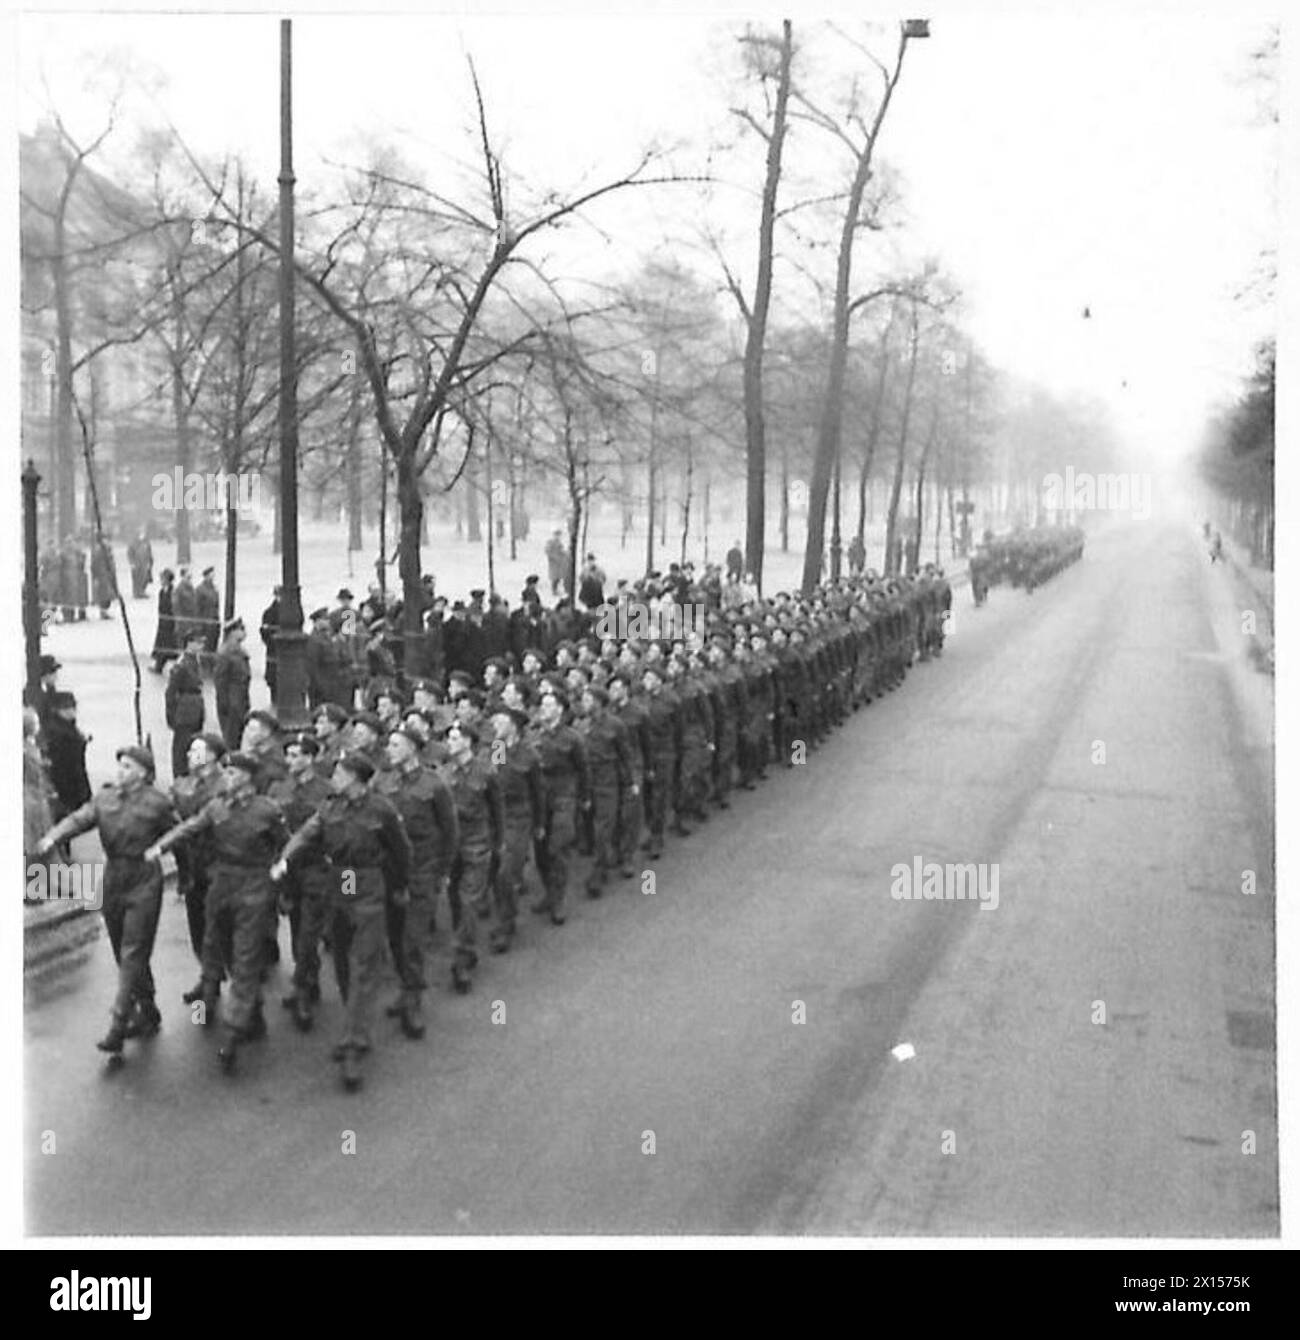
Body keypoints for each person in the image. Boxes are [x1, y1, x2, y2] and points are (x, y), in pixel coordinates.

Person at [272, 751, 412, 1092]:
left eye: (340, 772)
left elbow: (401, 851)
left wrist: (400, 887)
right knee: (343, 966)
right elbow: (306, 835)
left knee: (364, 965)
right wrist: (285, 861)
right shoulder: (330, 807)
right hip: (341, 882)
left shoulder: (382, 810)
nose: (334, 775)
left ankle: (352, 1042)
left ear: (355, 778)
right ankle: (357, 1020)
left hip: (368, 885)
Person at [146, 753, 290, 1074]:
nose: (228, 776)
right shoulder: (216, 806)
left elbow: (285, 847)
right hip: (221, 887)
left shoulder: (267, 810)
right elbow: (190, 828)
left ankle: (233, 1034)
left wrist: (278, 881)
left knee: (244, 957)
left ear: (249, 778)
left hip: (253, 886)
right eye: (226, 771)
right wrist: (161, 846)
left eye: (234, 772)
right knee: (216, 951)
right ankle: (250, 1015)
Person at [35, 745, 177, 1056]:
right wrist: (53, 837)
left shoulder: (158, 803)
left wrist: (189, 875)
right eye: (120, 766)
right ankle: (148, 1009)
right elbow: (79, 818)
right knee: (122, 950)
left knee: (133, 950)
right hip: (112, 879)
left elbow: (178, 837)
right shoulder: (105, 798)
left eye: (128, 767)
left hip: (143, 879)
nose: (121, 772)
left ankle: (118, 1023)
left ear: (143, 773)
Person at [376, 727, 459, 1033]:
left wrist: (443, 872)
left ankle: (413, 999)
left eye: (396, 744)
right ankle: (405, 986)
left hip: (422, 872)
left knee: (412, 939)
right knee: (395, 937)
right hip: (389, 872)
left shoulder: (434, 785)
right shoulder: (383, 781)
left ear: (412, 748)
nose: (390, 749)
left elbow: (450, 832)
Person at [266, 734, 333, 1031]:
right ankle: (311, 979)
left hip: (316, 868)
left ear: (310, 758)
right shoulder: (278, 788)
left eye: (297, 755)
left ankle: (301, 989)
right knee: (295, 929)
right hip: (287, 869)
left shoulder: (326, 790)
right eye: (289, 755)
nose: (292, 761)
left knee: (309, 933)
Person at [42, 691, 92, 822]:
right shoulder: (60, 732)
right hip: (67, 781)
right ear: (58, 710)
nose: (72, 711)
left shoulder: (66, 727)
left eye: (73, 707)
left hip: (72, 778)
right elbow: (64, 761)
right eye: (67, 708)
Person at [165, 630, 207, 779]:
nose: (201, 646)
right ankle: (180, 777)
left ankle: (198, 773)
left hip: (195, 708)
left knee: (198, 743)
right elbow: (170, 692)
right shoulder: (182, 664)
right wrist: (171, 715)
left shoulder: (195, 660)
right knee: (182, 748)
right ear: (189, 643)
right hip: (185, 711)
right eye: (198, 642)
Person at [213, 620, 252, 750]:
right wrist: (225, 703)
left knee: (237, 738)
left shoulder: (239, 651)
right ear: (232, 633)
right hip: (231, 703)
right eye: (241, 629)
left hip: (240, 701)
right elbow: (220, 680)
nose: (244, 632)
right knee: (230, 740)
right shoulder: (226, 653)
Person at [152, 569, 178, 673]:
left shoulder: (173, 592)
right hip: (163, 624)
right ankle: (159, 666)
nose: (161, 581)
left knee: (168, 646)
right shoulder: (162, 592)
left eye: (162, 579)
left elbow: (174, 607)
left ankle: (160, 666)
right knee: (162, 646)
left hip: (170, 624)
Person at [260, 586, 283, 701]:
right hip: (274, 652)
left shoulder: (291, 610)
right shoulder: (269, 613)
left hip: (282, 655)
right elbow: (265, 633)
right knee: (274, 683)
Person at [91, 537, 118, 619]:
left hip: (107, 575)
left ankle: (104, 612)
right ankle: (103, 612)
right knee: (104, 594)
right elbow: (94, 564)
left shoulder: (106, 549)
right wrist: (96, 576)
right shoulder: (99, 550)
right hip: (102, 575)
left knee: (107, 595)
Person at [127, 532, 153, 599]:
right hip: (136, 565)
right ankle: (136, 593)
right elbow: (130, 554)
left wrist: (150, 562)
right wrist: (132, 563)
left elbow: (149, 553)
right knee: (136, 580)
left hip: (144, 564)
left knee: (145, 579)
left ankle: (142, 591)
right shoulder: (133, 544)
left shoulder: (146, 543)